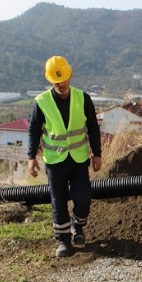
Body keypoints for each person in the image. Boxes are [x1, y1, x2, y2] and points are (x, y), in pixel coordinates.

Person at [27, 55, 102, 258]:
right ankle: (63, 241)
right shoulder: (41, 102)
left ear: (70, 75)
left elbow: (93, 127)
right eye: (57, 81)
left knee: (83, 197)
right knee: (58, 201)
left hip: (78, 159)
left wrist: (97, 154)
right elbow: (34, 130)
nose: (61, 84)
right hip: (55, 161)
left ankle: (78, 226)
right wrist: (31, 157)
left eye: (65, 79)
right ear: (51, 80)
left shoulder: (82, 98)